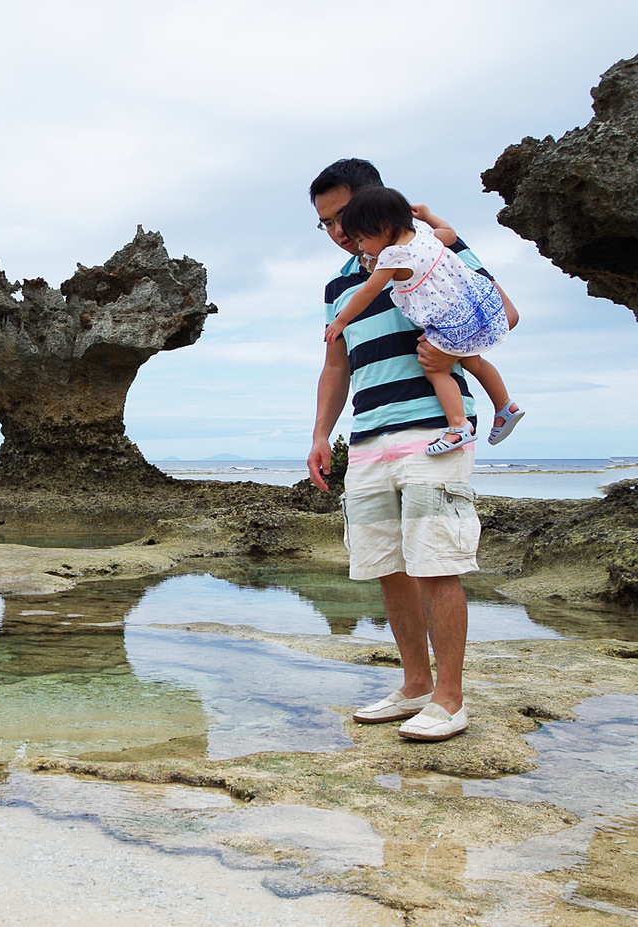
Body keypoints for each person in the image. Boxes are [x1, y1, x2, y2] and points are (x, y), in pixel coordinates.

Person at [306, 158, 499, 742]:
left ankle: (450, 698)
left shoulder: (435, 253)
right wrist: (321, 434)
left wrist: (451, 359)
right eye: (325, 224)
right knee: (387, 565)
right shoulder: (340, 284)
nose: (338, 232)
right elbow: (337, 362)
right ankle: (415, 684)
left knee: (436, 562)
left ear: (376, 202)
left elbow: (496, 311)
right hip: (368, 436)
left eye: (343, 217)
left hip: (432, 430)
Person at [324, 186, 524, 455]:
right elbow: (450, 233)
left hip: (445, 322)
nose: (360, 246)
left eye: (361, 238)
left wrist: (341, 320)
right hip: (467, 310)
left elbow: (369, 290)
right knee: (473, 359)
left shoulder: (393, 255)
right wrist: (429, 216)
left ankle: (458, 426)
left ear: (383, 227)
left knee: (435, 369)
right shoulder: (425, 236)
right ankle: (505, 404)